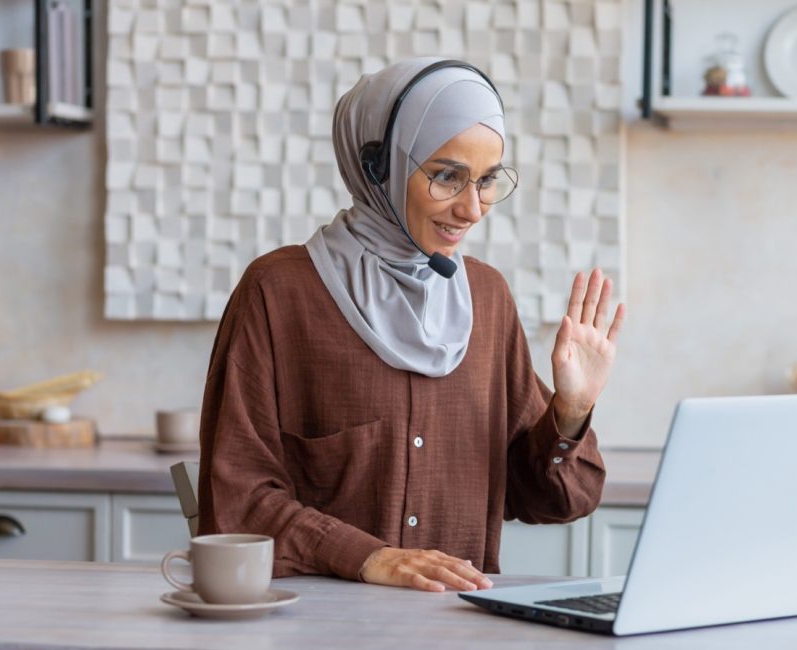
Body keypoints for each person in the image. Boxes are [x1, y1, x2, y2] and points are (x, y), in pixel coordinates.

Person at [197, 57, 626, 593]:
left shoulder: (486, 299)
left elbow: (552, 499)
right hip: (313, 629)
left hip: (456, 627)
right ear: (379, 168)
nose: (473, 208)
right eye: (447, 176)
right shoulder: (277, 293)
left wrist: (570, 411)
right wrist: (366, 557)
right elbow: (236, 501)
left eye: (488, 180)